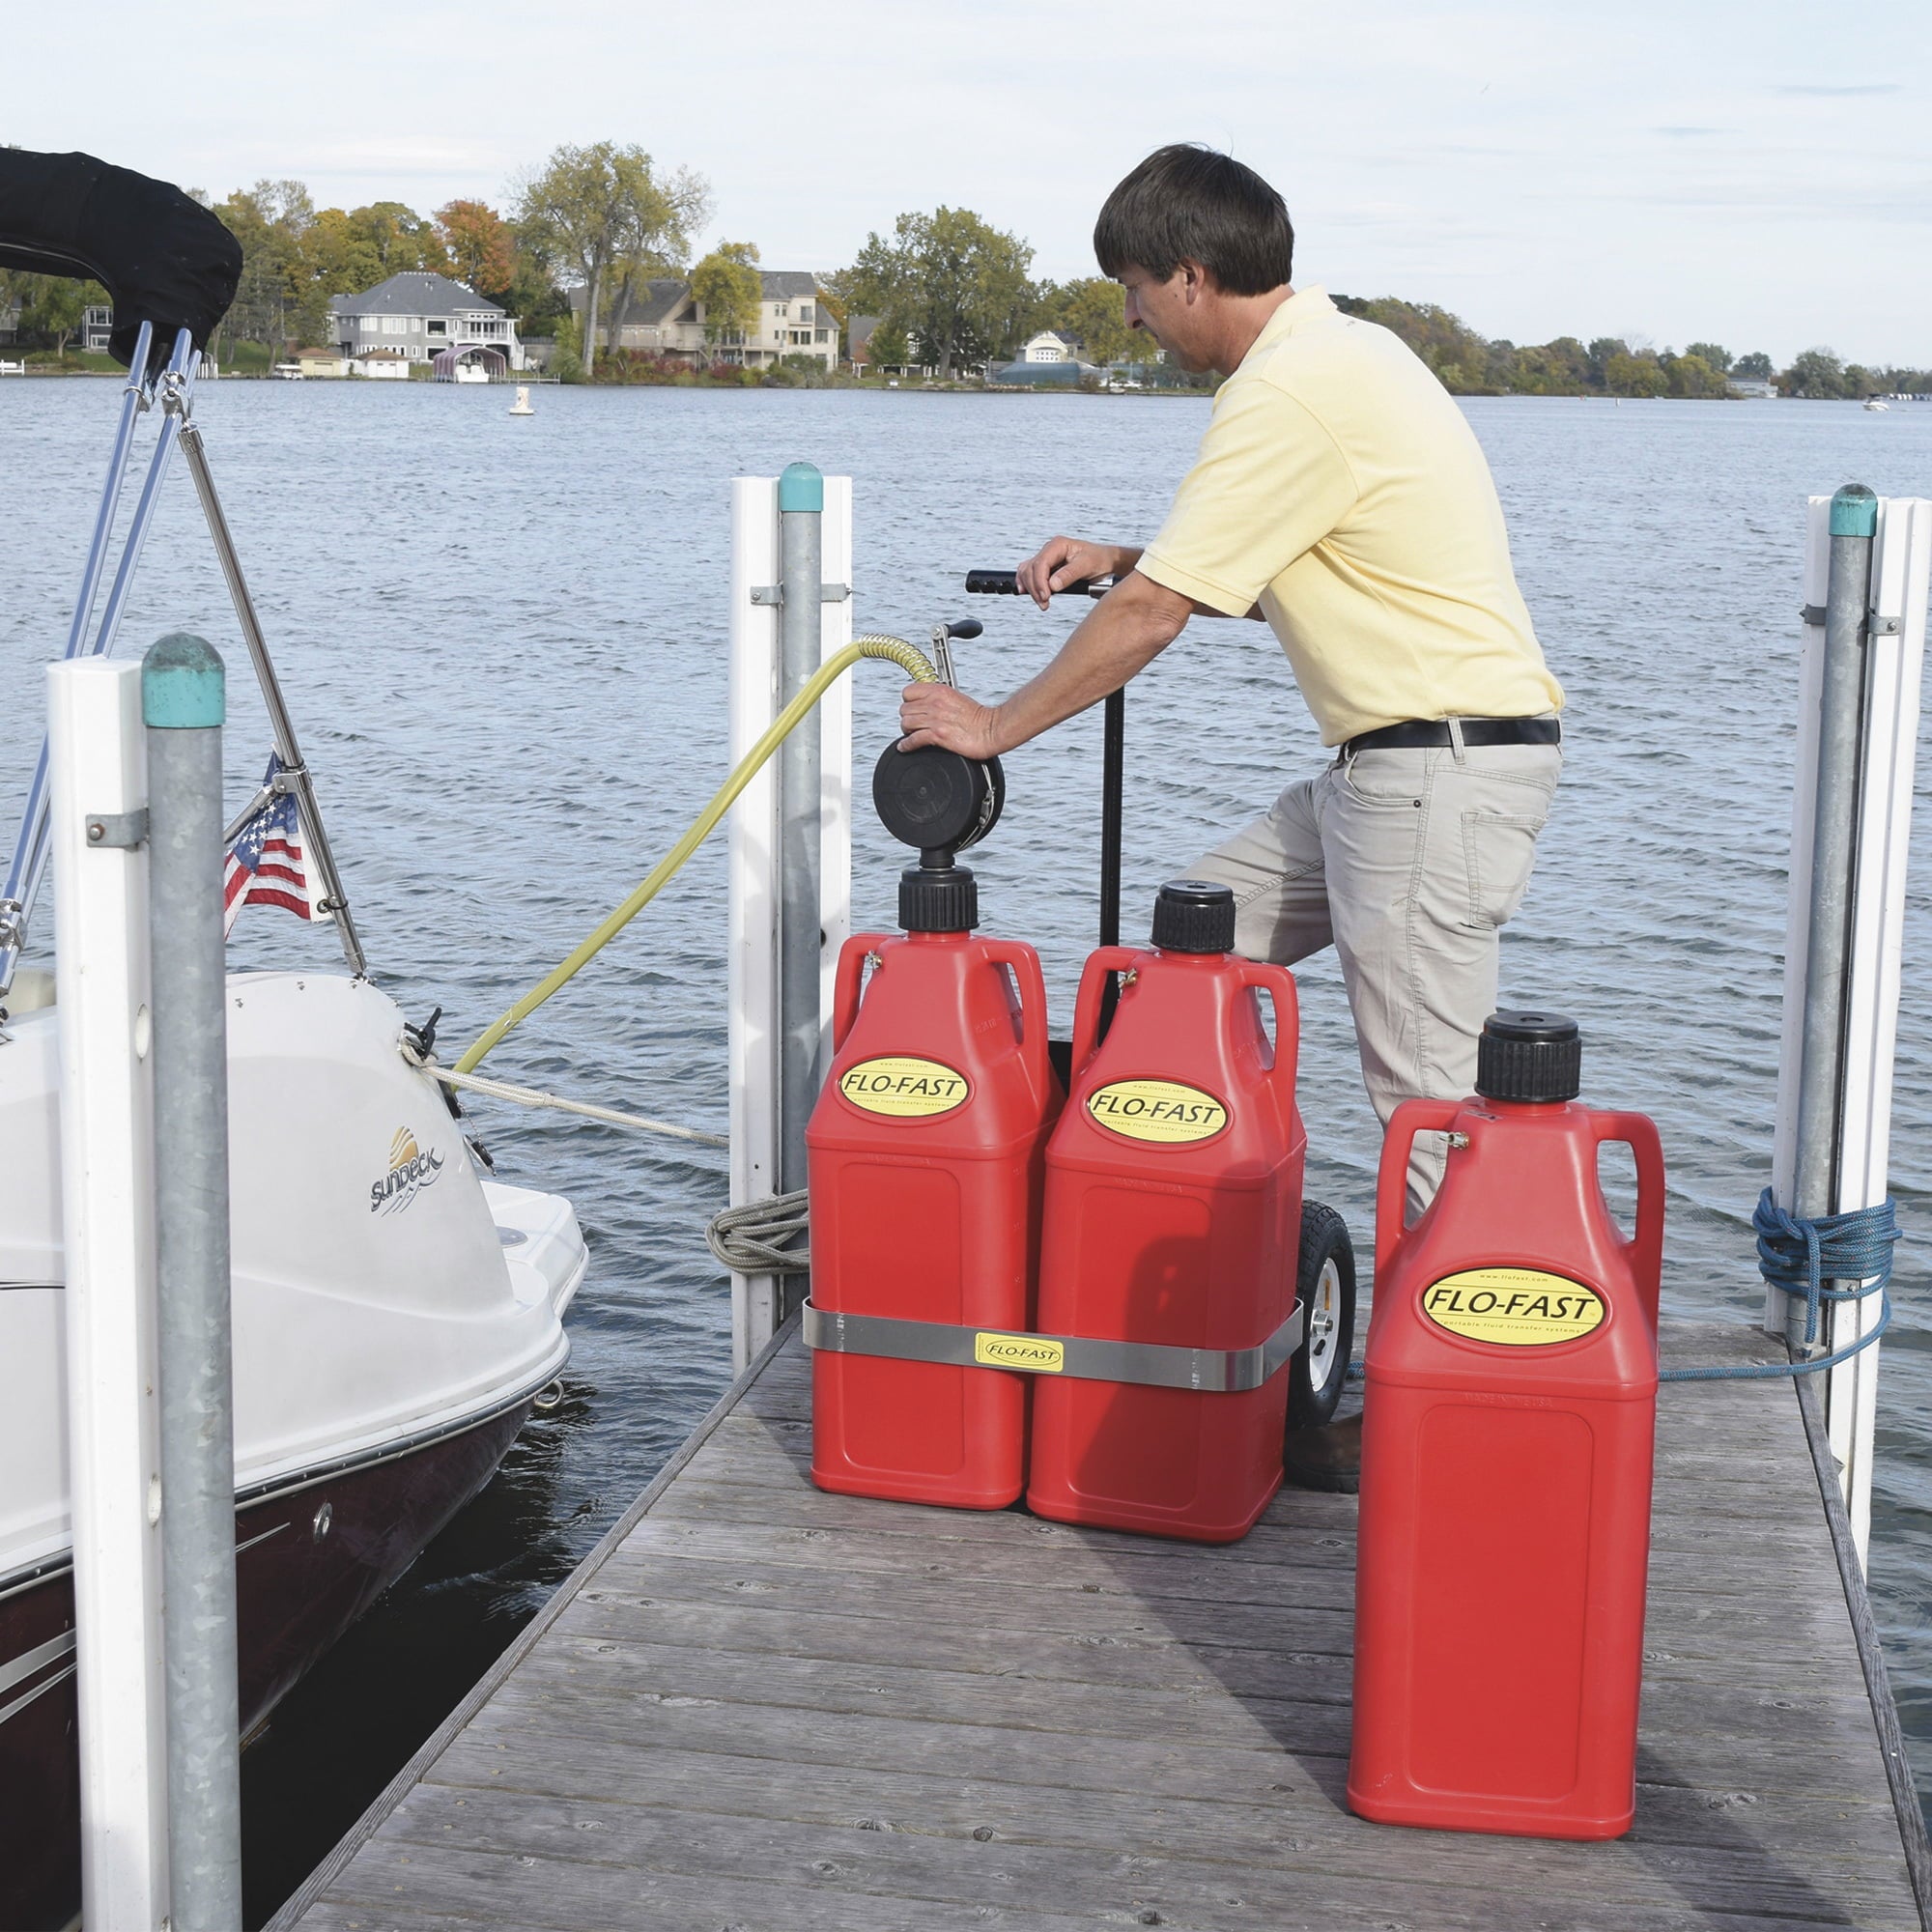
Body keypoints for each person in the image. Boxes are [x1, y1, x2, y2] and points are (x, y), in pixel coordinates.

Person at [896, 143, 1564, 1491]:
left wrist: (991, 726)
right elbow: (1256, 569)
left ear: (1194, 277)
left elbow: (1160, 618)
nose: (1132, 317)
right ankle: (1171, 1265)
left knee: (1429, 1115)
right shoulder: (1345, 358)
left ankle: (1474, 1423)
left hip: (1430, 776)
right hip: (1387, 772)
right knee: (1177, 963)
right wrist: (1126, 552)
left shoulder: (1287, 392)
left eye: (1137, 289)